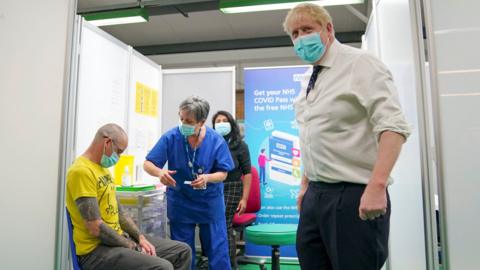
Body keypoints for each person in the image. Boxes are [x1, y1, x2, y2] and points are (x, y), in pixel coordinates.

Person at [283, 3, 411, 270]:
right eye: (294, 34)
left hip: (354, 193)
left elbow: (393, 126)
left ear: (328, 29)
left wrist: (377, 186)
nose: (300, 38)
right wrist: (305, 185)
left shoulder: (360, 64)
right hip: (315, 196)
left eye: (307, 29)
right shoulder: (309, 77)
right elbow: (313, 134)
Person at [65, 123, 191, 270]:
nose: (118, 157)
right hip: (95, 252)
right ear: (107, 142)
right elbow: (95, 228)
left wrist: (140, 238)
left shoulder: (103, 170)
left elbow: (120, 214)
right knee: (163, 267)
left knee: (182, 252)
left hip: (117, 241)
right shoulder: (81, 171)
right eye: (118, 152)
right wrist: (132, 246)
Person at [144, 96, 234, 270]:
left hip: (210, 202)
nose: (184, 124)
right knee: (182, 250)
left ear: (202, 122)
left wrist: (207, 178)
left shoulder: (216, 140)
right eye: (182, 119)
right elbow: (148, 163)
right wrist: (159, 172)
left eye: (189, 121)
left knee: (218, 250)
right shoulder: (171, 137)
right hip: (181, 201)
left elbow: (223, 173)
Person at [212, 110, 252, 269]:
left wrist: (244, 198)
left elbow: (247, 173)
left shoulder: (240, 145)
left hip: (233, 186)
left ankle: (229, 264)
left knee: (222, 222)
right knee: (212, 224)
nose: (221, 123)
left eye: (224, 120)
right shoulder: (211, 143)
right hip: (214, 187)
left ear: (231, 123)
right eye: (218, 121)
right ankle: (217, 262)